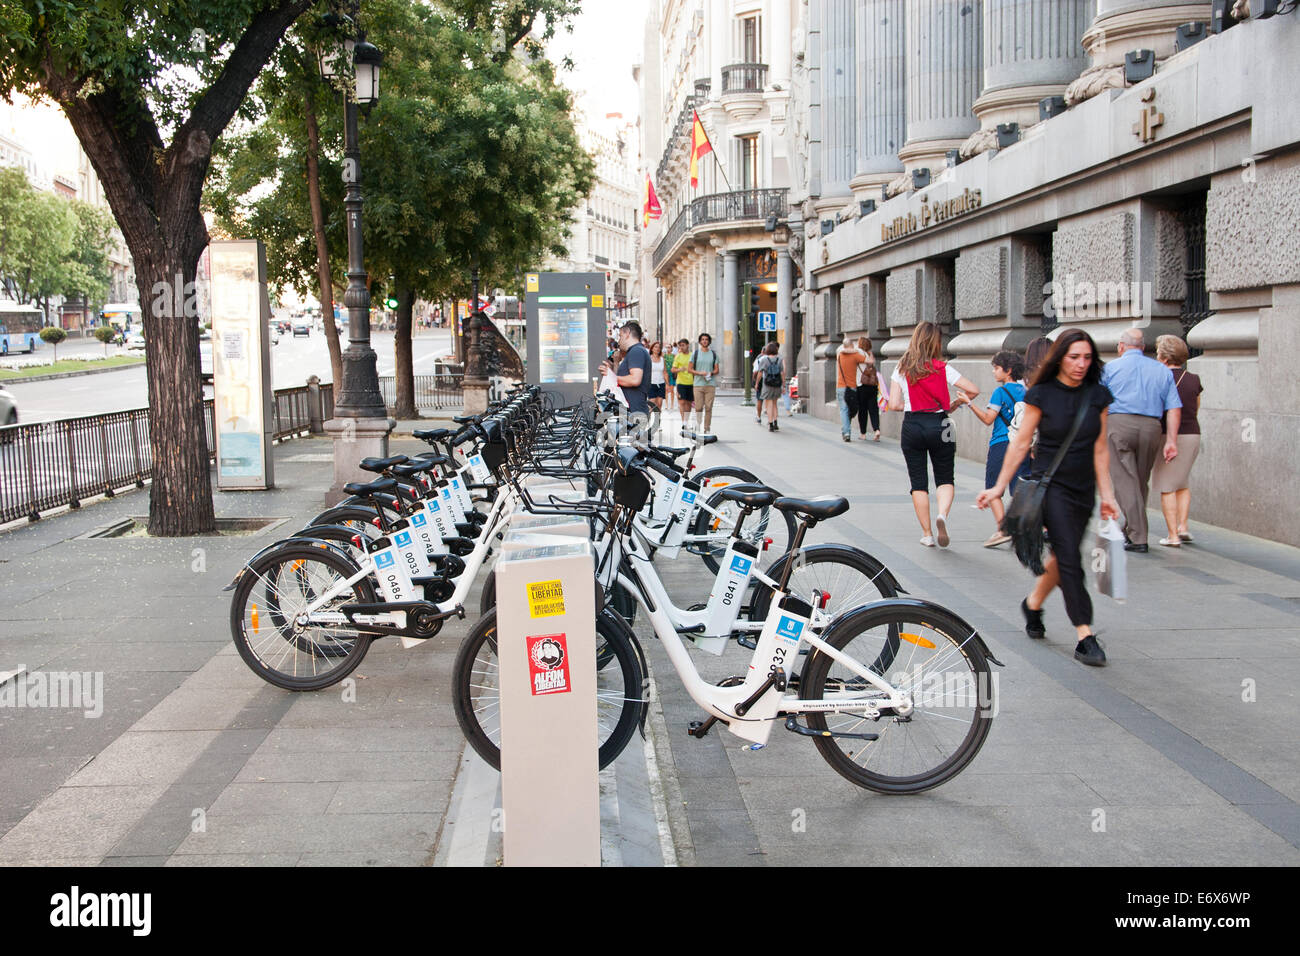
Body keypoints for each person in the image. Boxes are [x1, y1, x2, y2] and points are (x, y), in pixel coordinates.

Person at [977, 328, 1119, 667]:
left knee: (1062, 558)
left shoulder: (1098, 396)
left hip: (1082, 488)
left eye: (1087, 357)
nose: (1081, 364)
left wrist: (1108, 496)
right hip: (1049, 486)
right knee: (1069, 556)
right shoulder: (1041, 393)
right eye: (1074, 357)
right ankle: (1085, 634)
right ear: (1060, 358)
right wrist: (999, 487)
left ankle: (1033, 603)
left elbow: (1100, 450)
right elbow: (1021, 443)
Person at [889, 322, 979, 548]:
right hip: (941, 424)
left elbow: (893, 404)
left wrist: (908, 405)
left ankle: (927, 534)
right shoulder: (943, 367)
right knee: (945, 476)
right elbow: (973, 390)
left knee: (918, 482)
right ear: (936, 342)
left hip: (912, 426)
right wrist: (956, 402)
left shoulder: (901, 368)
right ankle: (942, 515)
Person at [1100, 328, 1181, 553]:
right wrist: (1171, 440)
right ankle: (1131, 530)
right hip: (1152, 427)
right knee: (1138, 481)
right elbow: (1174, 407)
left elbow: (1098, 402)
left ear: (1121, 346)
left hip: (1118, 425)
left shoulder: (1109, 369)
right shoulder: (1161, 370)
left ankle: (1138, 537)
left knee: (1125, 481)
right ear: (1144, 348)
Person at [963, 350, 1028, 548]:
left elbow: (988, 419)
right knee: (1018, 487)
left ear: (1007, 371)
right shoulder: (1027, 391)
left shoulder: (1000, 392)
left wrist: (970, 404)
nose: (993, 372)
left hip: (1001, 443)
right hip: (1022, 443)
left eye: (996, 368)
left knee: (993, 487)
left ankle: (1003, 529)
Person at [1150, 334, 1203, 547]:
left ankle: (1172, 535)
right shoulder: (1194, 379)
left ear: (1163, 357)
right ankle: (1183, 526)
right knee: (1182, 482)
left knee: (1167, 485)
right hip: (1192, 433)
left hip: (1167, 435)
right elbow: (1195, 408)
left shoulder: (1158, 378)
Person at [598, 321, 652, 421]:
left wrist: (611, 376)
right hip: (630, 412)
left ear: (627, 333)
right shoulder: (635, 351)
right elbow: (621, 381)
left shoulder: (637, 351)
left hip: (633, 412)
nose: (619, 341)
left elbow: (635, 379)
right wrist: (616, 363)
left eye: (620, 336)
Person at [835, 333, 867, 442]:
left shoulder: (840, 354)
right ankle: (846, 429)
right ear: (852, 345)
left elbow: (844, 351)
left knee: (844, 409)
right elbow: (869, 361)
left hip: (840, 387)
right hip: (851, 387)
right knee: (851, 409)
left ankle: (846, 431)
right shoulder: (855, 355)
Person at [687, 333, 720, 432]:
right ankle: (698, 424)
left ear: (709, 341)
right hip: (698, 384)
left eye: (706, 339)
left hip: (710, 384)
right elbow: (689, 369)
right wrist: (700, 373)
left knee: (709, 407)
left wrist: (710, 373)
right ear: (700, 341)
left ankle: (707, 428)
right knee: (698, 407)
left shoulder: (714, 354)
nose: (704, 341)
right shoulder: (695, 354)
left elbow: (717, 370)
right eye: (703, 339)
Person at [854, 336, 881, 441]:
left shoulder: (858, 353)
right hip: (872, 385)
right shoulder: (870, 355)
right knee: (873, 409)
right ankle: (877, 430)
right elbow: (871, 363)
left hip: (861, 385)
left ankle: (863, 433)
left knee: (863, 410)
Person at [754, 341, 784, 431]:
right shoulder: (779, 359)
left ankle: (770, 424)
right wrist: (783, 385)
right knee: (775, 404)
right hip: (777, 384)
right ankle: (775, 422)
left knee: (769, 404)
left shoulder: (764, 359)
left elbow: (760, 372)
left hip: (767, 384)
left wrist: (756, 383)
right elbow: (782, 373)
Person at [671, 337, 695, 423]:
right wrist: (679, 369)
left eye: (683, 345)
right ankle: (683, 421)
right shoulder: (678, 356)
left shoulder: (692, 355)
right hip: (680, 382)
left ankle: (686, 420)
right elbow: (673, 370)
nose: (681, 347)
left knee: (688, 403)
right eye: (680, 346)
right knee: (681, 402)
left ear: (688, 345)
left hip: (691, 382)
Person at [646, 340, 667, 434]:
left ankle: (658, 424)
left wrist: (668, 384)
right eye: (655, 347)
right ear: (652, 348)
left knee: (659, 405)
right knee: (651, 405)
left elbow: (665, 372)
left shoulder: (662, 359)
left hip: (661, 384)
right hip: (651, 384)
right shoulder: (648, 358)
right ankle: (648, 424)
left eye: (659, 347)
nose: (657, 349)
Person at [665, 341, 678, 409]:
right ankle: (666, 405)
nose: (668, 349)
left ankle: (672, 405)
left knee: (672, 390)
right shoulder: (664, 356)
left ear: (671, 349)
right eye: (666, 347)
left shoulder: (674, 356)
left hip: (672, 375)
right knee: (666, 390)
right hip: (666, 374)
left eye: (669, 347)